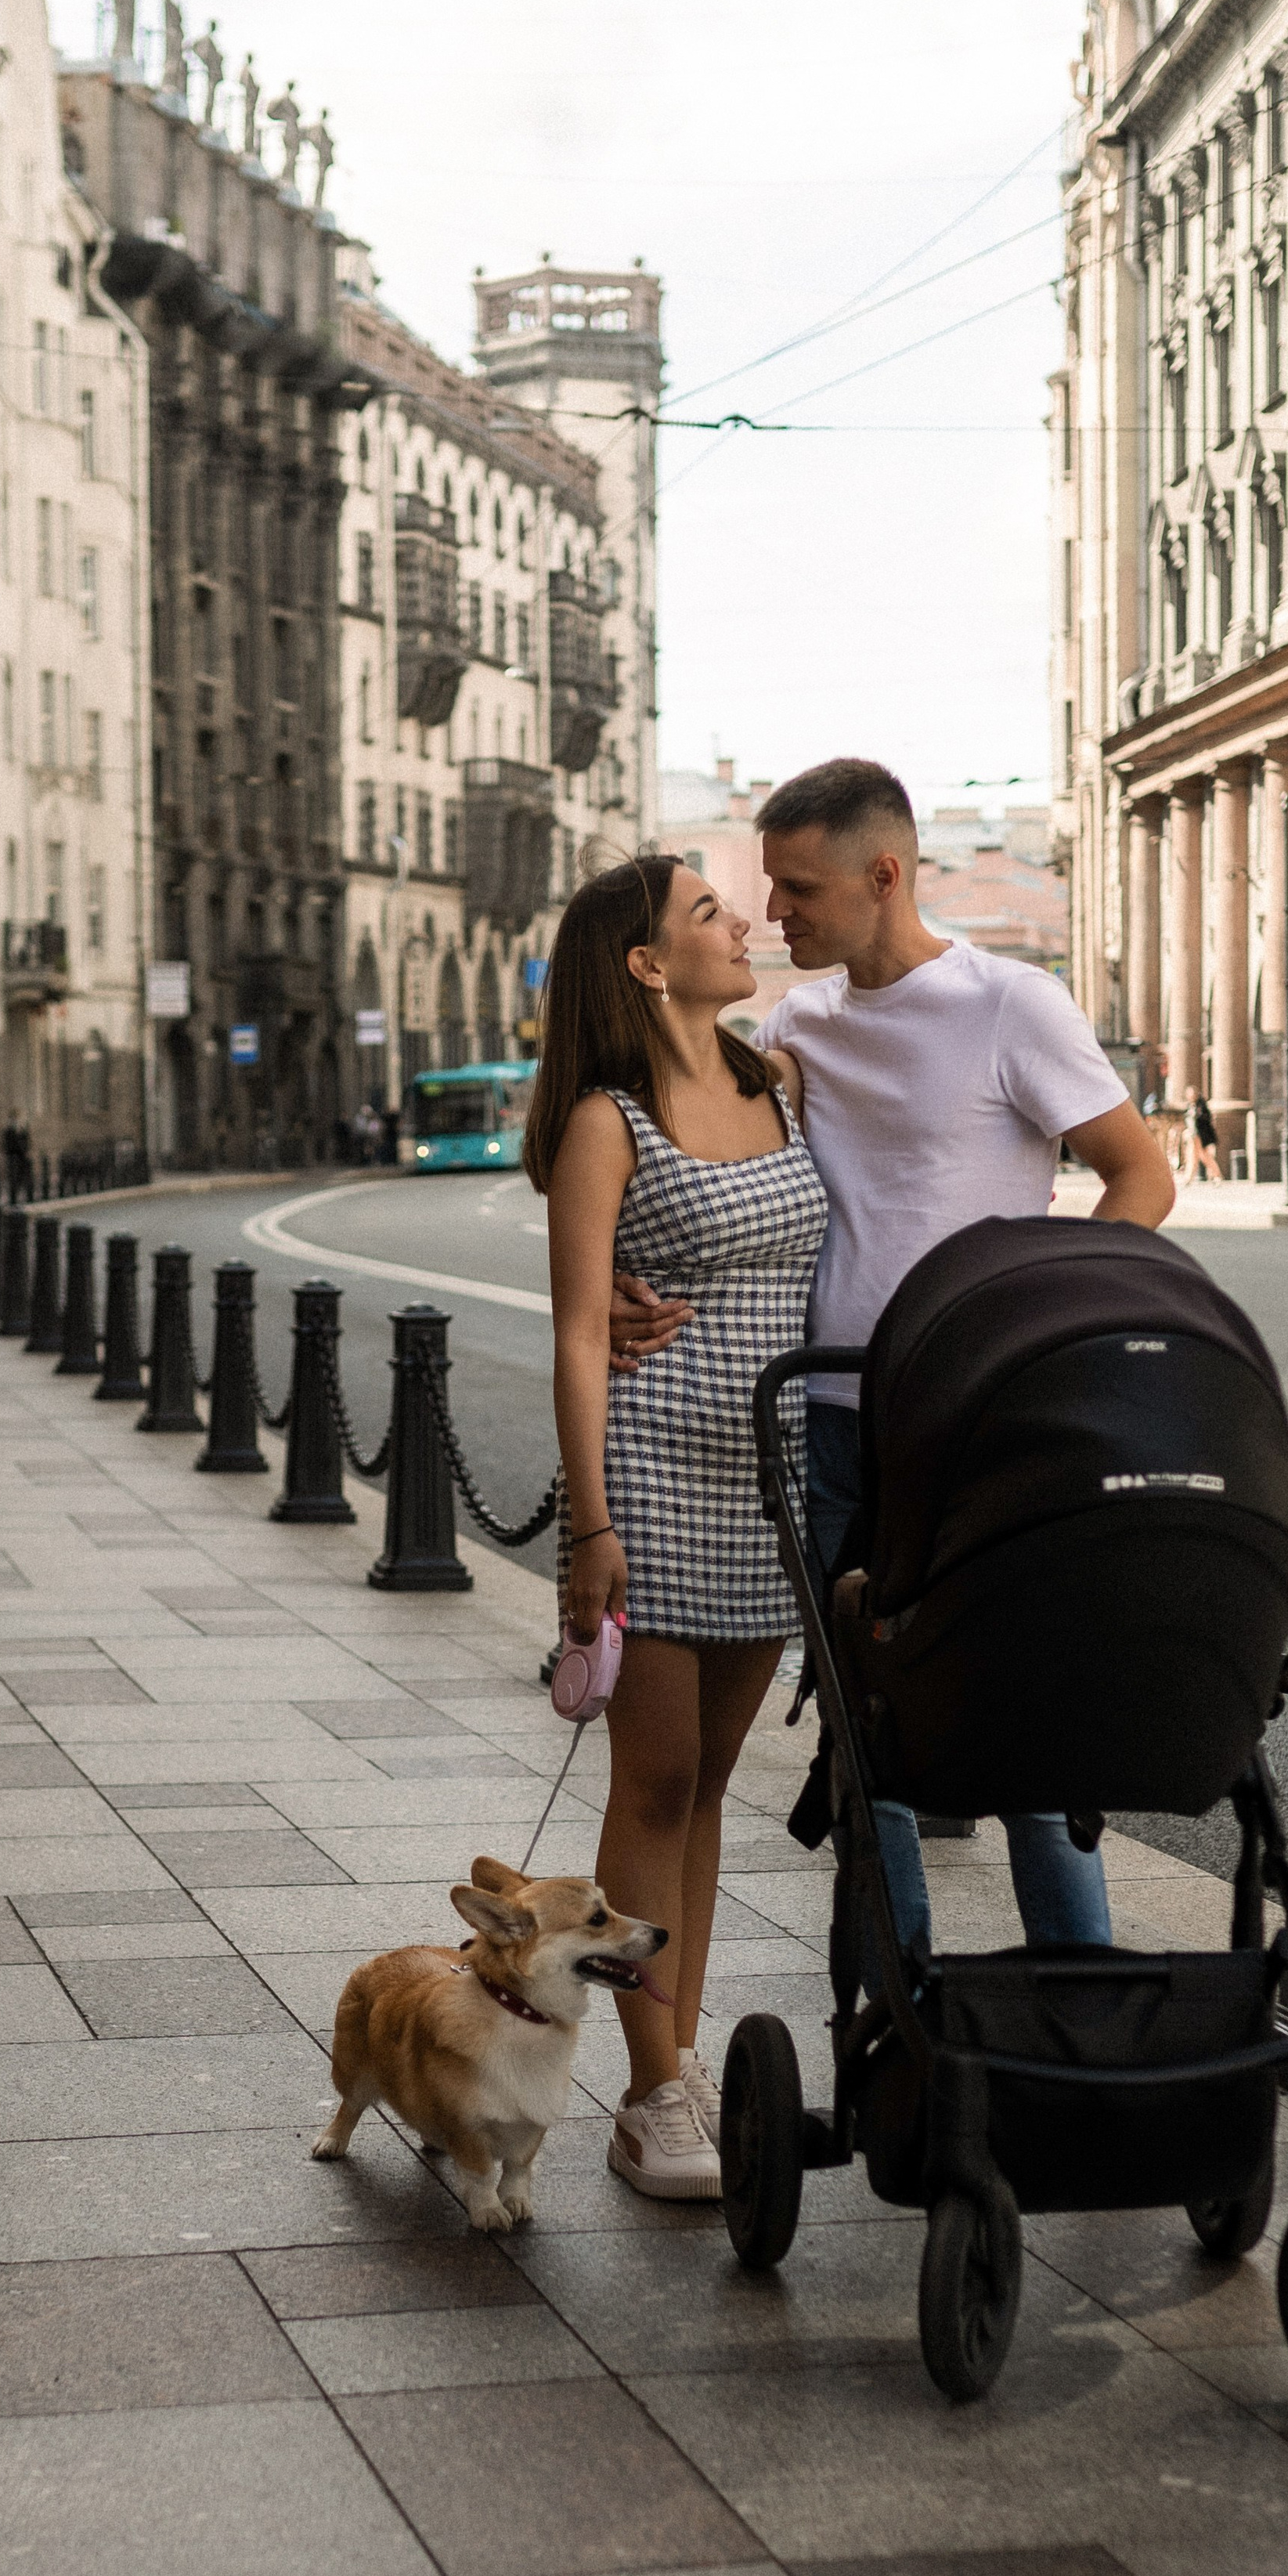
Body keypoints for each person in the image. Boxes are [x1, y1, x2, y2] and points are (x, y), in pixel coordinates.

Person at [613, 756, 1173, 1968]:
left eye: (801, 888)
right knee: (867, 1727)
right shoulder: (797, 1023)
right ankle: (896, 2003)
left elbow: (1142, 1176)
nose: (777, 913)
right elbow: (668, 1141)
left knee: (1018, 1708)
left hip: (976, 1422)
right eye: (767, 887)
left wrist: (1037, 1327)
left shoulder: (1010, 1006)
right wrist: (608, 1273)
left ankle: (1078, 1988)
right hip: (824, 1418)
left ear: (884, 874)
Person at [531, 854, 828, 2200]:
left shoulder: (779, 1083)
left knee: (710, 1788)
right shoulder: (609, 1120)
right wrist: (589, 1528)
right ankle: (653, 2093)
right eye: (712, 912)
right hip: (652, 1473)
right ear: (648, 964)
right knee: (651, 1787)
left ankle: (682, 2061)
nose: (745, 920)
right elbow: (585, 1335)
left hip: (772, 1481)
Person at [1183, 1086, 1223, 1184]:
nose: (1190, 1096)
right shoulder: (1189, 1106)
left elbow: (1205, 1119)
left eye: (1192, 1094)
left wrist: (1197, 1115)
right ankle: (1189, 1178)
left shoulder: (1201, 1105)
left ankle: (1217, 1175)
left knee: (1204, 1156)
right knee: (1193, 1156)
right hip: (1193, 1136)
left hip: (1200, 1135)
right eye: (1189, 1094)